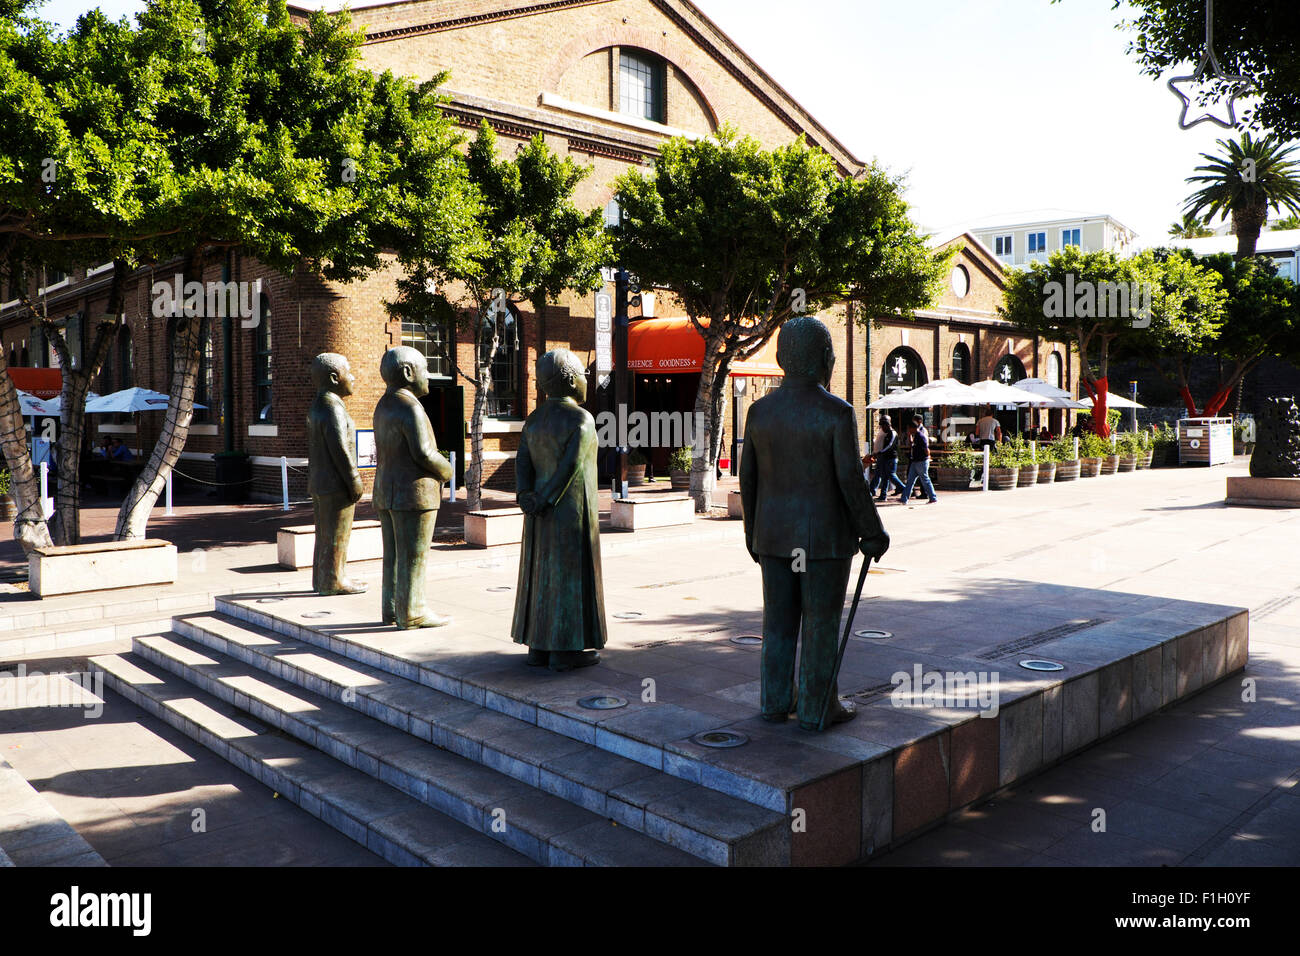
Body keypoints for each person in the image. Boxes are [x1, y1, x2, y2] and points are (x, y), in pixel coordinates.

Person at [739, 316, 890, 731]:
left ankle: (774, 701)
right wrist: (872, 531)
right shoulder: (837, 413)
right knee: (821, 623)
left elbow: (746, 479)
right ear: (825, 359)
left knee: (778, 622)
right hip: (823, 542)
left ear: (781, 358)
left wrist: (752, 533)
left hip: (773, 537)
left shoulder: (759, 412)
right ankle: (817, 707)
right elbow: (850, 480)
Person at [511, 348, 607, 673]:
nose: (586, 381)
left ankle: (539, 645)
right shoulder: (582, 419)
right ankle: (565, 650)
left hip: (538, 512)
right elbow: (570, 466)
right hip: (570, 513)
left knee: (540, 575)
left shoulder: (534, 419)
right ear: (570, 380)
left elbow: (522, 460)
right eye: (584, 375)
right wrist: (547, 499)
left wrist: (527, 495)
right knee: (569, 575)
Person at [373, 346, 454, 629]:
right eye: (425, 369)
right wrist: (447, 469)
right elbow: (423, 453)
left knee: (393, 555)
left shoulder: (384, 404)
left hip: (387, 490)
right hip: (414, 493)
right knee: (414, 556)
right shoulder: (410, 407)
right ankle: (413, 611)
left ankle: (392, 608)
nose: (429, 376)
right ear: (408, 373)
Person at [306, 352, 367, 596]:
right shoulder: (333, 407)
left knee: (325, 534)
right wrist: (354, 480)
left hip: (321, 482)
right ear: (334, 377)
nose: (353, 377)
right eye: (348, 372)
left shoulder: (318, 405)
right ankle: (334, 580)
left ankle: (322, 579)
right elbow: (340, 447)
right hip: (335, 483)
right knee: (337, 535)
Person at [898, 416, 938, 504]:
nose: (908, 430)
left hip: (921, 461)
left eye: (909, 428)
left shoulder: (921, 436)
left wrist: (928, 458)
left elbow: (926, 449)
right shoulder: (915, 436)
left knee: (925, 479)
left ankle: (933, 497)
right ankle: (904, 498)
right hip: (915, 461)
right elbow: (913, 445)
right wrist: (910, 437)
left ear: (913, 428)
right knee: (910, 480)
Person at [868, 414, 906, 501]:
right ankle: (883, 495)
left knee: (891, 475)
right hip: (886, 457)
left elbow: (889, 446)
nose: (882, 428)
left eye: (883, 425)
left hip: (891, 458)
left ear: (888, 424)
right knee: (884, 477)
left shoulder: (893, 433)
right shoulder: (887, 433)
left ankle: (905, 489)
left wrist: (880, 453)